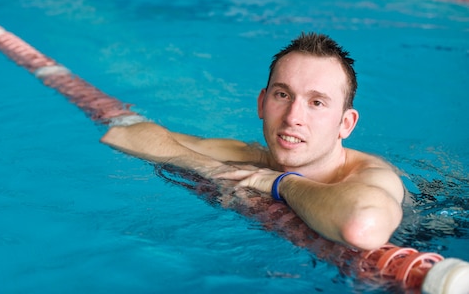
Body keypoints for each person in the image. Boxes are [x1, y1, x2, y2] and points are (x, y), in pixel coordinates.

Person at [101, 32, 404, 251]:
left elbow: (363, 227)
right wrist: (211, 169)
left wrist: (280, 183)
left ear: (346, 124)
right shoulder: (254, 159)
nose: (292, 117)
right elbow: (125, 133)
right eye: (283, 95)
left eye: (317, 103)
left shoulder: (370, 175)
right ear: (262, 103)